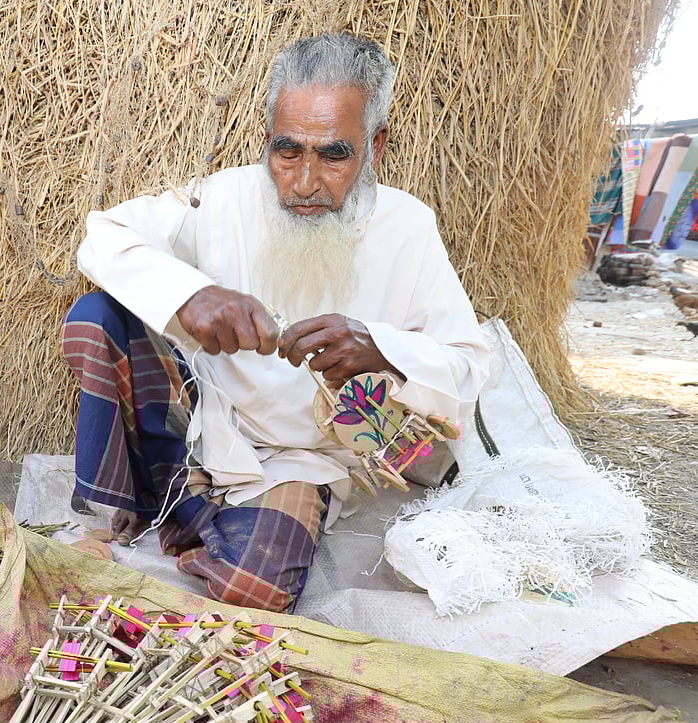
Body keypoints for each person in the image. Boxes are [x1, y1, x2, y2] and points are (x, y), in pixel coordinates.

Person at [63, 33, 488, 612]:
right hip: (204, 426)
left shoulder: (408, 228)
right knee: (97, 317)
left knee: (255, 589)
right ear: (268, 139)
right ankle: (167, 504)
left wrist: (382, 350)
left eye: (334, 154)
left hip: (302, 458)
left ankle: (196, 521)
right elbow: (103, 235)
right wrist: (191, 294)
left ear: (376, 145)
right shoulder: (222, 199)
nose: (306, 180)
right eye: (288, 151)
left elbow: (468, 366)